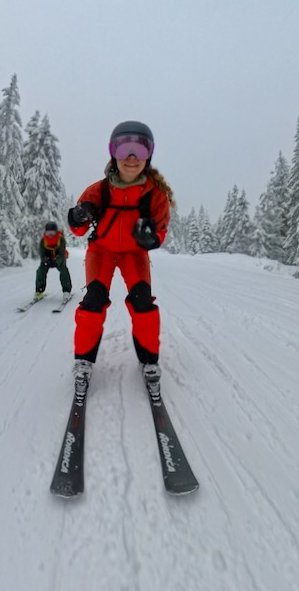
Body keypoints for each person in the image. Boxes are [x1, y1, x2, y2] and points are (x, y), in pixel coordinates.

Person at [66, 120, 174, 398]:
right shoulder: (98, 190)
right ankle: (83, 362)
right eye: (125, 147)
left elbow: (160, 232)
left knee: (143, 303)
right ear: (113, 152)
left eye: (139, 149)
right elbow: (77, 229)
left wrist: (151, 239)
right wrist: (77, 216)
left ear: (149, 154)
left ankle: (149, 361)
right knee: (93, 302)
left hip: (134, 255)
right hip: (101, 251)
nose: (131, 157)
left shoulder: (155, 196)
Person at [35, 221, 72, 300]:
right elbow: (42, 253)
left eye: (52, 232)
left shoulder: (60, 239)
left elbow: (62, 253)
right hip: (47, 260)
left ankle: (66, 291)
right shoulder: (43, 241)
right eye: (48, 232)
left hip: (59, 259)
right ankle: (39, 290)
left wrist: (56, 261)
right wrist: (45, 260)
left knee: (64, 271)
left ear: (56, 232)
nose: (50, 234)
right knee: (40, 271)